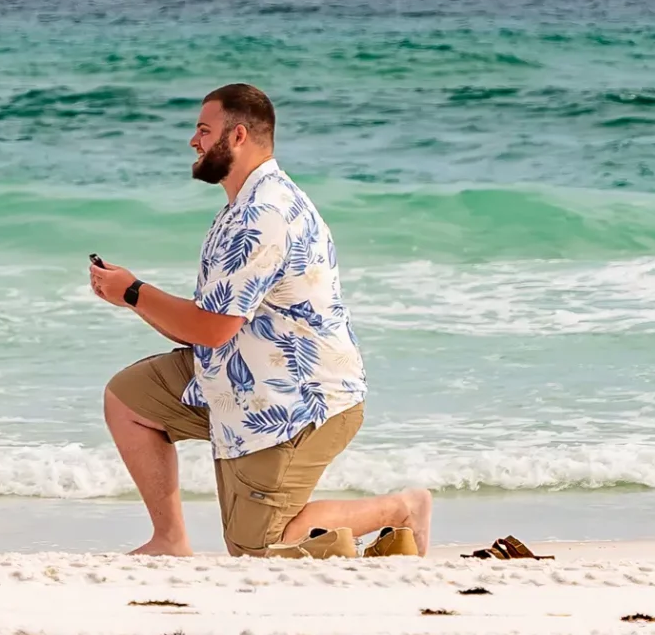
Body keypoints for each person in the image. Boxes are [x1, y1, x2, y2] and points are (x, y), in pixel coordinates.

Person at [90, 83, 431, 559]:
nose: (194, 141)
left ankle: (403, 508)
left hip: (297, 400)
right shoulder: (238, 210)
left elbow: (212, 328)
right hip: (236, 380)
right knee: (129, 400)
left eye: (204, 131)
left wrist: (133, 290)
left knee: (255, 548)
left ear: (239, 136)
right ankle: (170, 541)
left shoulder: (262, 215)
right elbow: (204, 325)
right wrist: (132, 300)